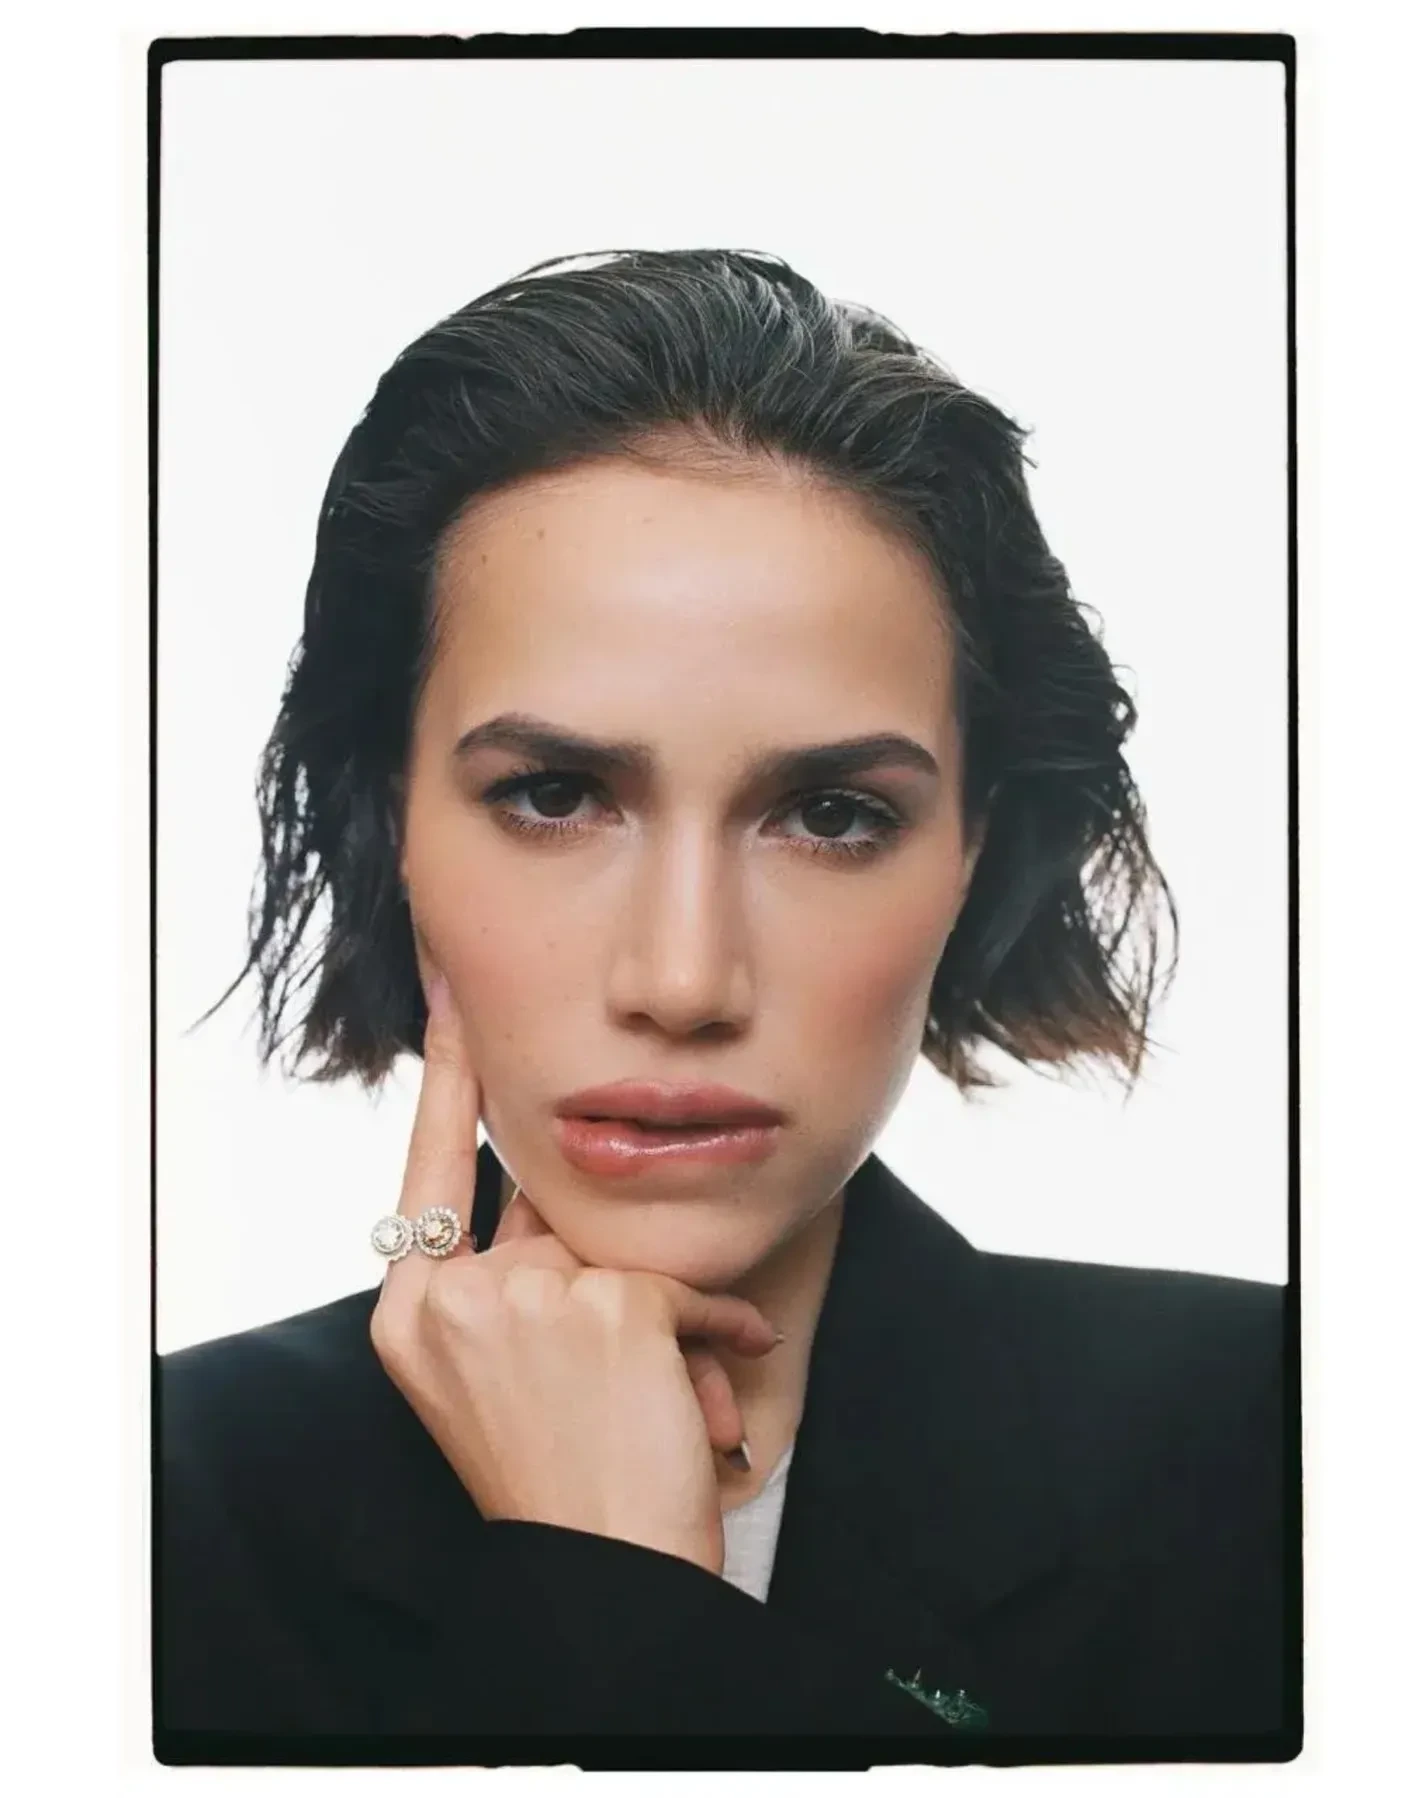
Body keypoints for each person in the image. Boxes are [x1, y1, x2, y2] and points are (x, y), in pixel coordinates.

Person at [156, 248, 1289, 1767]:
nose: (683, 980)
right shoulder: (142, 1514)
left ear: (974, 852)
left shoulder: (1284, 1450)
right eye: (553, 794)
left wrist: (623, 1602)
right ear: (392, 827)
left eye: (829, 813)